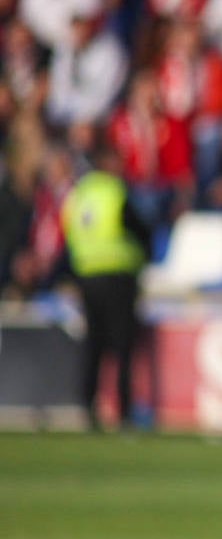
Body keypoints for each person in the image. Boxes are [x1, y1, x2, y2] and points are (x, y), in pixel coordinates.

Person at [59, 143, 152, 430]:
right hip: (118, 274)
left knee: (94, 345)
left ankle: (87, 407)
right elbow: (139, 229)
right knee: (123, 345)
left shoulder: (78, 195)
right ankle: (123, 412)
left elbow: (68, 234)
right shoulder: (114, 192)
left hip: (86, 275)